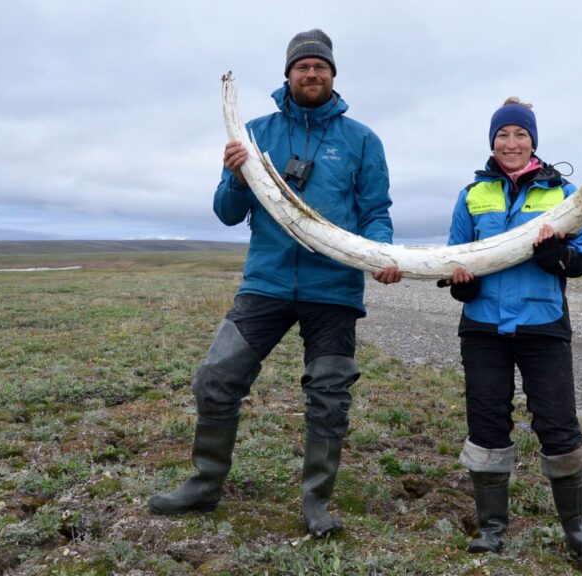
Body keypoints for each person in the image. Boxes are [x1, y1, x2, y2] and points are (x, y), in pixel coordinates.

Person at [148, 29, 401, 538]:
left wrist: (381, 254)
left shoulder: (362, 140)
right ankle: (205, 483)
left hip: (334, 289)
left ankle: (316, 503)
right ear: (288, 75)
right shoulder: (254, 132)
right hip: (266, 284)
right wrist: (236, 176)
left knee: (329, 395)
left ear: (333, 75)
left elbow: (375, 212)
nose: (312, 73)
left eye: (320, 66)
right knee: (216, 378)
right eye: (302, 66)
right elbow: (226, 212)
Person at [443, 97, 582, 559]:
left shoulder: (566, 194)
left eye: (520, 134)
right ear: (492, 142)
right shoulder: (471, 194)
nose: (511, 142)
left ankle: (576, 528)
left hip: (544, 326)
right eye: (503, 135)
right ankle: (491, 529)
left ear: (533, 141)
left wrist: (556, 254)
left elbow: (581, 259)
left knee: (559, 427)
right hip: (483, 328)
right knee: (486, 424)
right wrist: (463, 286)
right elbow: (455, 256)